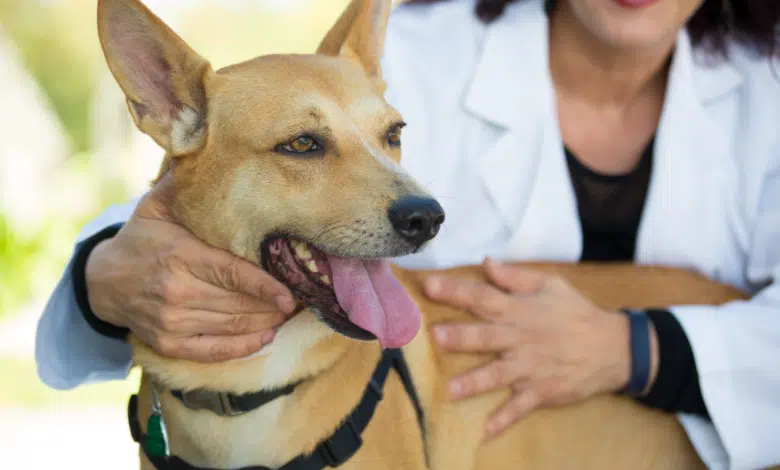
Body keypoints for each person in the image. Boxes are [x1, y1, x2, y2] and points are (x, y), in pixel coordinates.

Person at [35, 0, 780, 468]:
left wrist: (635, 348)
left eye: (390, 138)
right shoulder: (412, 53)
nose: (412, 201)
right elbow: (179, 200)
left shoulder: (767, 84)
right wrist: (103, 277)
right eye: (307, 144)